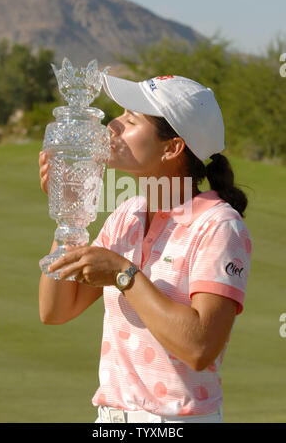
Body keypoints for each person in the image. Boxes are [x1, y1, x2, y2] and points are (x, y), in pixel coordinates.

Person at [38, 74, 253, 423]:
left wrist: (125, 275)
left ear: (172, 148)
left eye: (131, 119)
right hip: (111, 419)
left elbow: (199, 347)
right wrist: (70, 215)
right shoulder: (127, 214)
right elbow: (56, 310)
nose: (113, 126)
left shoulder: (218, 225)